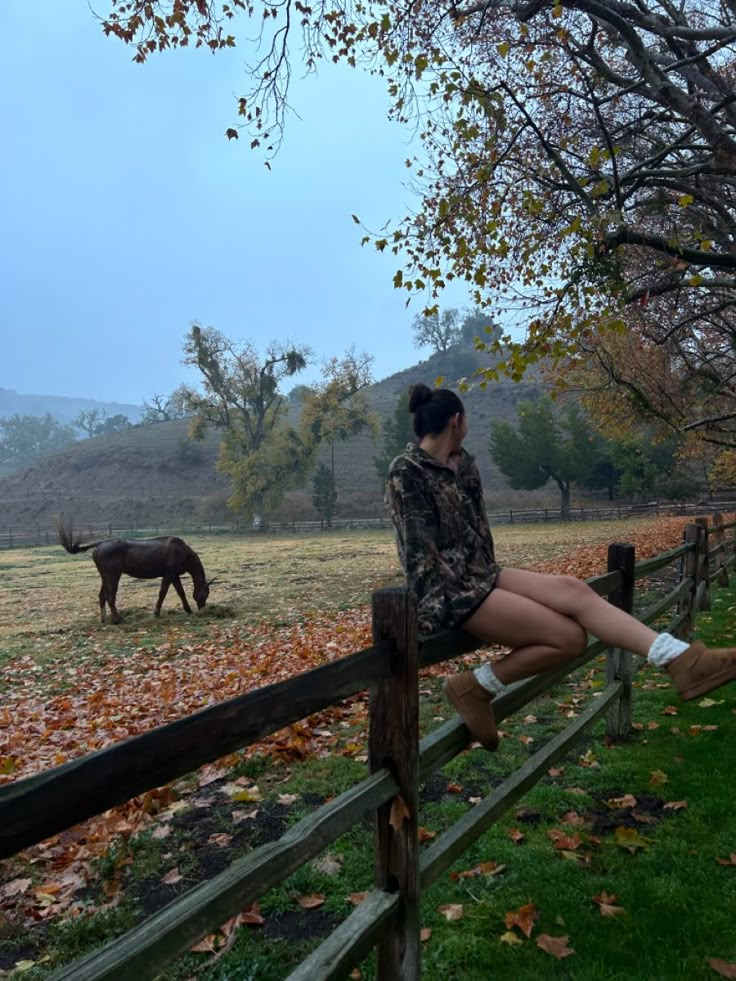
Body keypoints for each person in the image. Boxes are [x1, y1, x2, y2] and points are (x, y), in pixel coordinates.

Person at [385, 383, 736, 751]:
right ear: (457, 421)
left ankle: (680, 659)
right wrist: (428, 618)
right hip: (454, 593)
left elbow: (479, 535)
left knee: (574, 589)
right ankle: (476, 686)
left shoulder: (464, 467)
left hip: (484, 574)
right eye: (466, 421)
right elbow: (416, 549)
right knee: (569, 639)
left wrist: (458, 478)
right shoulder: (405, 471)